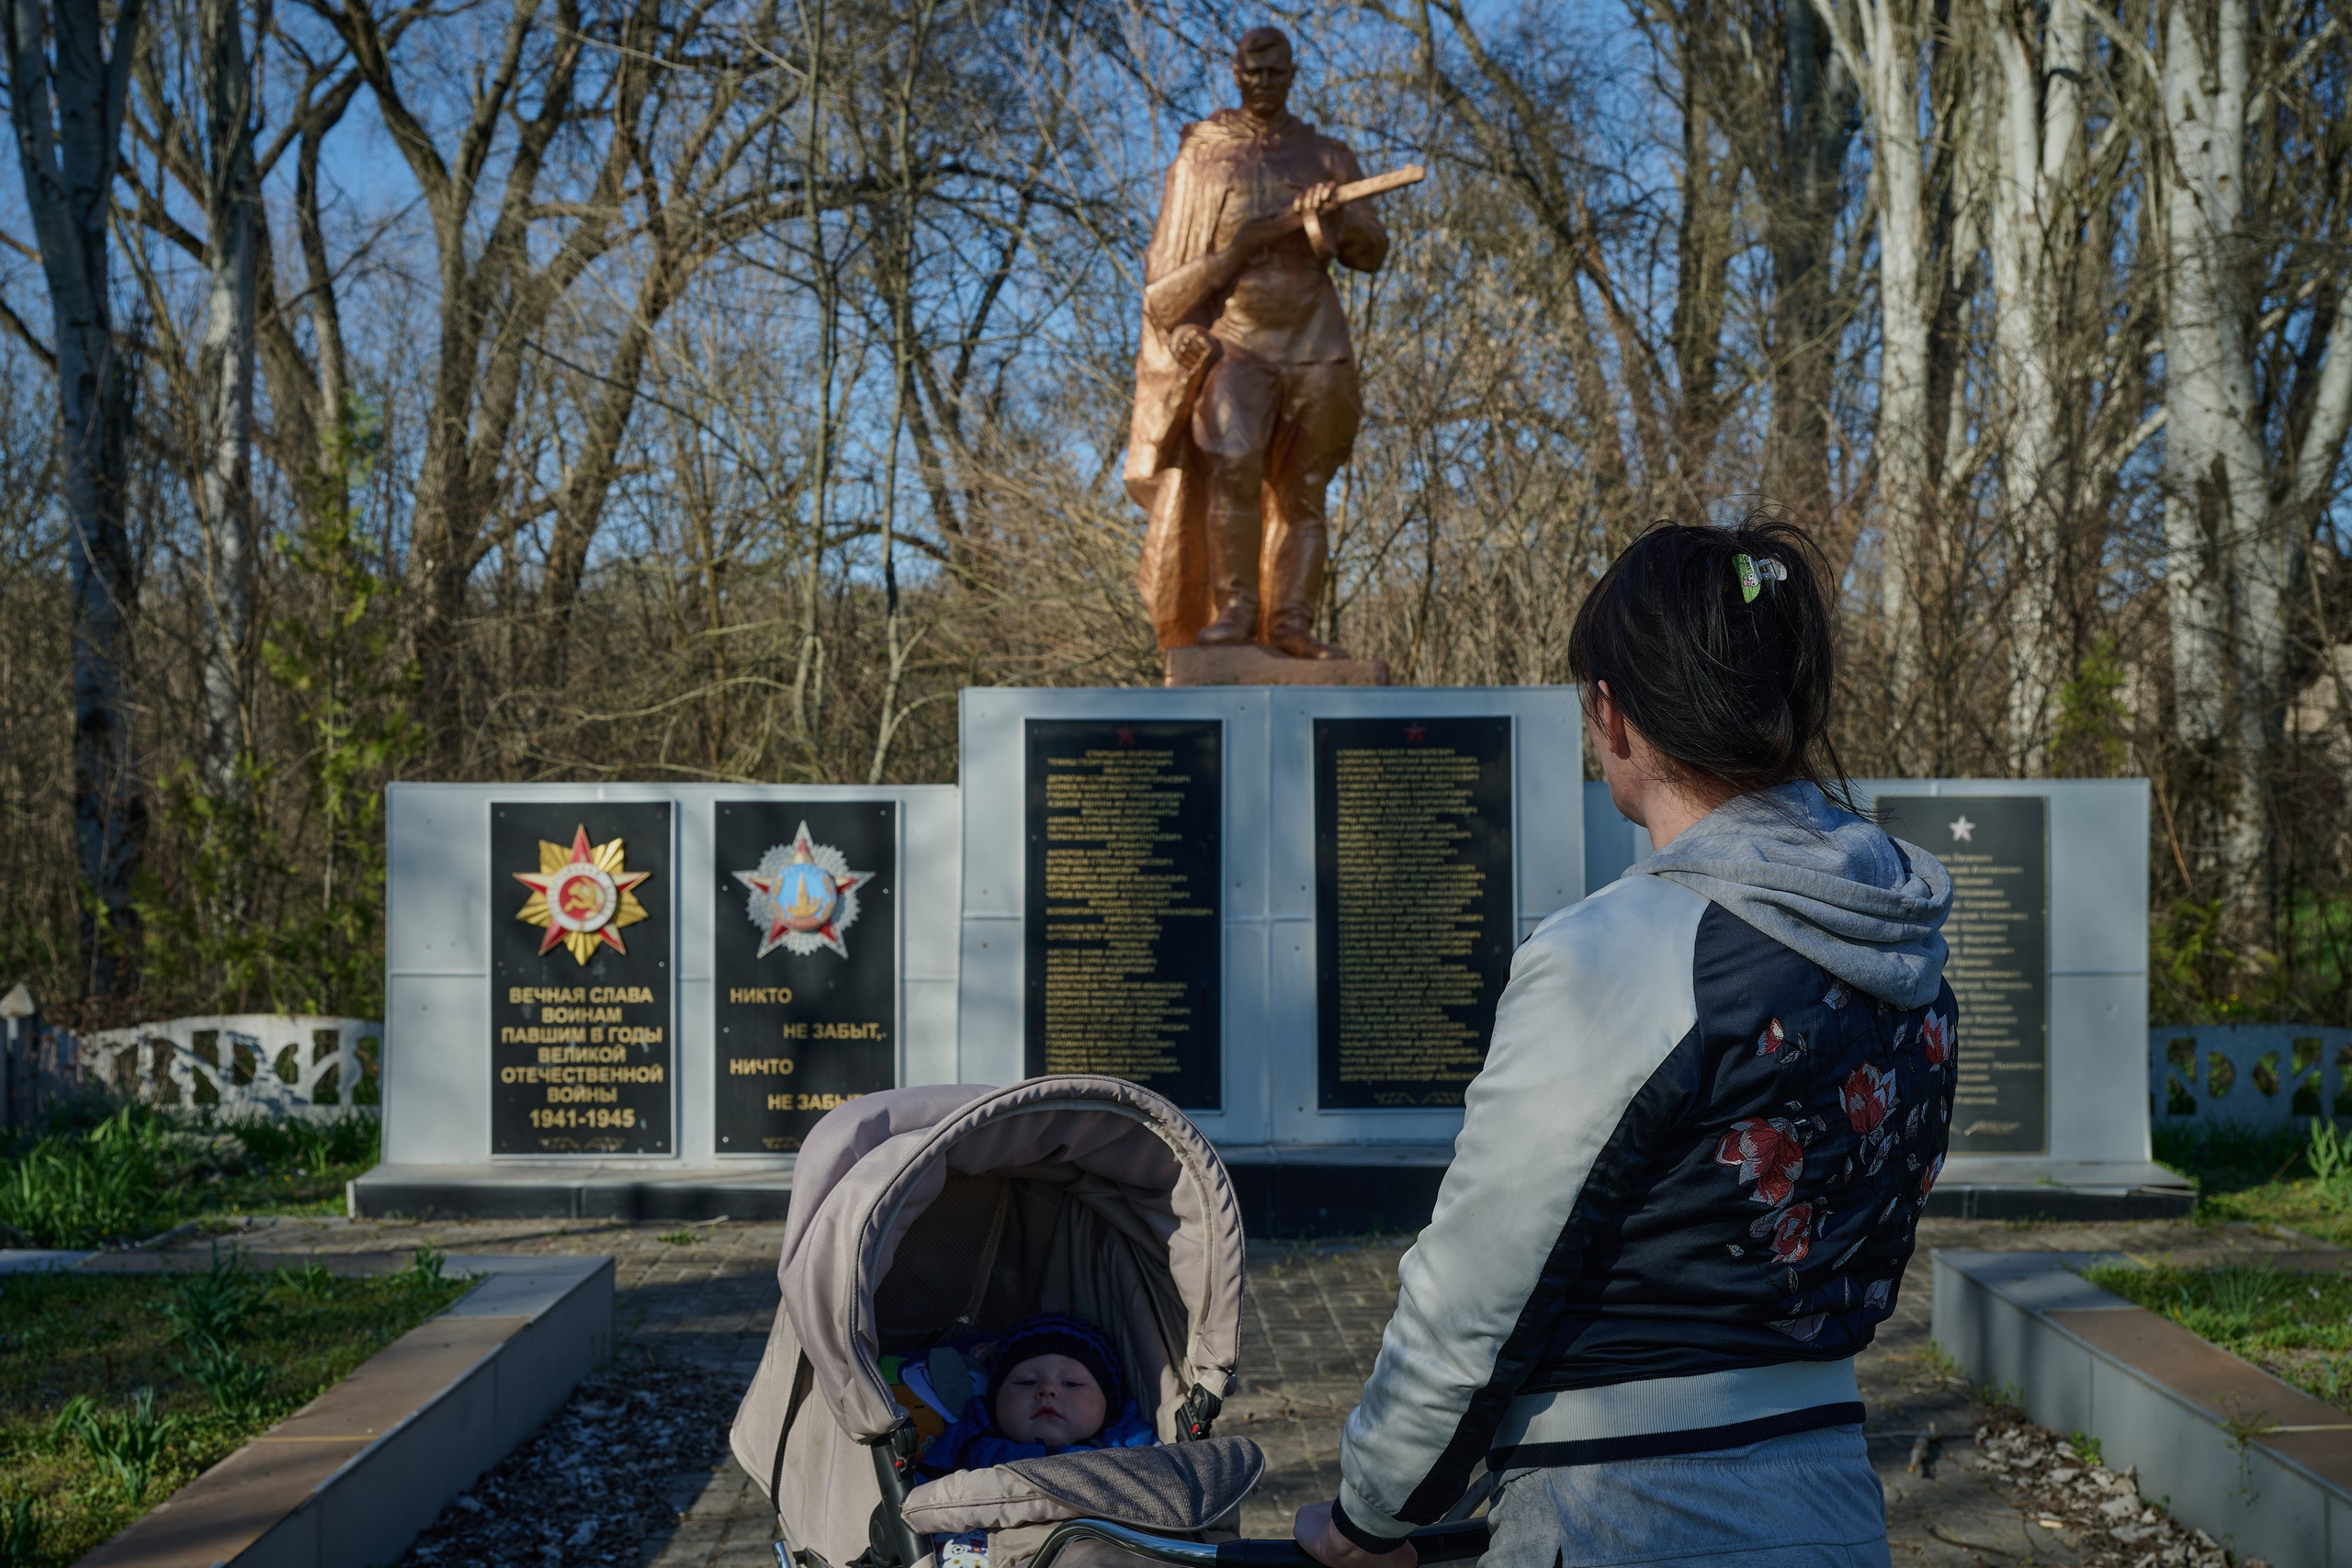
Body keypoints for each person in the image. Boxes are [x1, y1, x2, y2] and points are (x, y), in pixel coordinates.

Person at [1293, 520, 1958, 1568]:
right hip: (1829, 1500)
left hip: (1629, 1512)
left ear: (1613, 713)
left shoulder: (1626, 952)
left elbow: (1479, 1286)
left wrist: (1372, 1508)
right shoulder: (1906, 948)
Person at [1125, 26, 1390, 660]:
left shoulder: (1327, 154)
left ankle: (1292, 622)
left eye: (1276, 73)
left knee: (1304, 489)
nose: (1263, 84)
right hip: (1236, 341)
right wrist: (1192, 321)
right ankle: (1236, 610)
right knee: (1233, 464)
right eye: (1252, 73)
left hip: (1315, 341)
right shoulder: (1205, 155)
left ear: (1294, 74)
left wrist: (1332, 222)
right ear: (1236, 73)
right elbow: (1164, 279)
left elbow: (1372, 252)